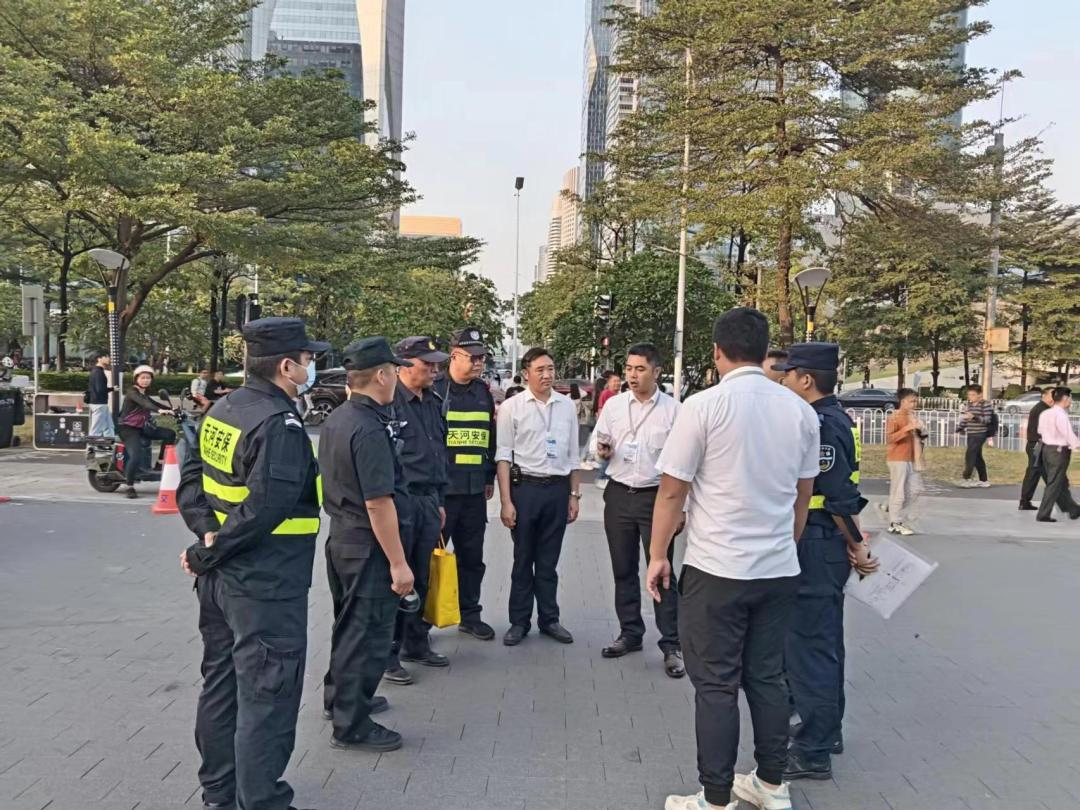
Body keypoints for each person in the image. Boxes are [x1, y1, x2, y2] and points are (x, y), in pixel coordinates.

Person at [647, 307, 820, 810]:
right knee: (767, 678)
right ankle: (772, 785)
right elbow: (803, 495)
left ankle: (716, 798)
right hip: (778, 569)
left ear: (718, 352)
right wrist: (785, 545)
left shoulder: (702, 406)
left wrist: (658, 554)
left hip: (717, 569)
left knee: (716, 686)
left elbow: (672, 491)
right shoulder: (800, 412)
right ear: (766, 353)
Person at [175, 317, 327, 810]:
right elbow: (265, 508)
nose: (310, 366)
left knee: (222, 684)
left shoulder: (224, 408)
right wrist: (208, 550)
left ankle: (220, 791)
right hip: (266, 583)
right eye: (306, 359)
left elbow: (192, 479)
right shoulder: (278, 424)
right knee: (268, 696)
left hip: (222, 580)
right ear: (286, 366)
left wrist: (206, 536)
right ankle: (261, 800)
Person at [775, 343, 877, 783]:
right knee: (824, 644)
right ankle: (827, 731)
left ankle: (813, 749)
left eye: (788, 373)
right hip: (825, 542)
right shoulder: (838, 418)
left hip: (816, 544)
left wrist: (856, 544)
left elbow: (836, 494)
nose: (783, 380)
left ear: (806, 379)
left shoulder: (820, 423)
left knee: (810, 649)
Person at [319, 336, 416, 752]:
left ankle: (340, 700)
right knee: (368, 635)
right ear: (381, 375)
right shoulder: (370, 427)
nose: (396, 378)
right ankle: (352, 724)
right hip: (368, 546)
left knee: (348, 627)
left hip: (342, 539)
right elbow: (378, 503)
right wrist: (398, 563)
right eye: (394, 371)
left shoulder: (340, 418)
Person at [593, 343, 684, 678]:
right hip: (619, 494)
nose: (632, 375)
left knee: (661, 571)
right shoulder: (614, 406)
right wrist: (602, 451)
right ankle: (630, 632)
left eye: (640, 369)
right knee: (623, 568)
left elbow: (685, 465)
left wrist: (682, 509)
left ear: (656, 372)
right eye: (629, 368)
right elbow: (597, 444)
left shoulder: (674, 411)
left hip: (656, 498)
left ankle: (671, 644)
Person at [496, 346, 581, 646]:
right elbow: (503, 456)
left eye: (551, 369)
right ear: (526, 373)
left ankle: (549, 619)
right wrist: (506, 501)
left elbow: (573, 455)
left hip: (557, 490)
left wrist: (574, 495)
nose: (547, 375)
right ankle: (519, 622)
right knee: (523, 559)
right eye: (540, 370)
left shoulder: (567, 406)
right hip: (525, 490)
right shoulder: (512, 407)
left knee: (548, 561)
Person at [382, 336, 451, 685]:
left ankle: (416, 642)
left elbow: (439, 453)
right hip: (401, 501)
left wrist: (439, 501)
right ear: (404, 365)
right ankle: (388, 653)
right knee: (399, 580)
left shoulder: (432, 401)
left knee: (423, 576)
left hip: (428, 500)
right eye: (428, 364)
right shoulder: (389, 402)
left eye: (437, 364)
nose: (435, 370)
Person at [433, 326, 499, 640]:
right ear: (454, 356)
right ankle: (418, 626)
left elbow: (489, 437)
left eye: (481, 357)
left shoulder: (482, 392)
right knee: (432, 558)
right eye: (472, 357)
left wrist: (489, 477)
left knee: (472, 559)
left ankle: (470, 615)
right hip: (442, 493)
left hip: (473, 493)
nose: (478, 362)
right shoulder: (435, 389)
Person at [116, 365, 176, 499]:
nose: (145, 380)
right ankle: (129, 486)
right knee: (135, 456)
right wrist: (159, 411)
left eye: (148, 378)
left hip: (143, 427)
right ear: (136, 379)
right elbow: (145, 403)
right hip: (128, 429)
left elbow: (154, 403)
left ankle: (159, 464)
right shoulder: (132, 392)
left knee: (169, 434)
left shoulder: (144, 393)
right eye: (142, 378)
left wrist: (173, 410)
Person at [1035, 387, 1080, 523]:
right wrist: (1077, 445)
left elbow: (1040, 431)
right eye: (1070, 398)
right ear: (1065, 398)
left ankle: (1073, 509)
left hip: (1046, 450)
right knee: (1054, 483)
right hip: (1059, 451)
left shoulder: (1045, 413)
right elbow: (1068, 434)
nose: (1071, 401)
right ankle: (1043, 514)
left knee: (1060, 481)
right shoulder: (1061, 415)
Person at [884, 388, 925, 535]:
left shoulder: (913, 416)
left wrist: (921, 429)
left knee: (915, 490)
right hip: (898, 458)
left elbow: (922, 436)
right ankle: (895, 522)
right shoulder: (894, 417)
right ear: (903, 402)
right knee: (899, 492)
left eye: (915, 401)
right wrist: (906, 429)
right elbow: (890, 438)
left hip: (913, 458)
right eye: (911, 401)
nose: (914, 404)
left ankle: (889, 508)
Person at [1019, 387, 1054, 511]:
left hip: (1038, 446)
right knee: (1036, 473)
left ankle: (1025, 502)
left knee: (1041, 473)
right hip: (1037, 446)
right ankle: (1024, 501)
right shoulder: (1042, 409)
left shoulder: (1045, 409)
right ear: (1044, 395)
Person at [958, 384, 994, 488]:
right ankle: (984, 480)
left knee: (970, 454)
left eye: (973, 395)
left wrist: (974, 417)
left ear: (980, 395)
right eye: (969, 394)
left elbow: (987, 420)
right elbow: (966, 418)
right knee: (977, 457)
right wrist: (960, 428)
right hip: (971, 433)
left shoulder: (986, 405)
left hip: (980, 433)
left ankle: (967, 478)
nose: (970, 397)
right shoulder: (969, 405)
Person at [86, 351, 115, 437]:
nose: (109, 358)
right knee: (96, 428)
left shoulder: (97, 371)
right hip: (99, 403)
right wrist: (111, 389)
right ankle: (92, 443)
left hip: (100, 403)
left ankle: (109, 440)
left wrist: (112, 389)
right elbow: (100, 389)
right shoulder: (98, 372)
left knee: (108, 425)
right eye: (106, 356)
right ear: (99, 359)